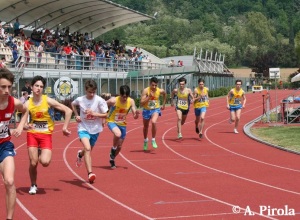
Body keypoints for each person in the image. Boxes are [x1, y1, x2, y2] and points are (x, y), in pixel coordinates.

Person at [23, 75, 72, 195]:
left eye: (41, 86)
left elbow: (68, 111)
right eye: (36, 86)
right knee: (33, 162)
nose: (39, 88)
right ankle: (33, 184)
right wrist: (25, 126)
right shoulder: (27, 103)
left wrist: (65, 127)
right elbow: (22, 122)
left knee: (45, 162)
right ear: (32, 87)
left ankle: (40, 152)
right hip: (33, 134)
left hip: (46, 134)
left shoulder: (47, 100)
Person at [0, 68, 27, 220]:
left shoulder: (13, 102)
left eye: (9, 87)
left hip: (4, 146)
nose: (7, 90)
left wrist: (21, 126)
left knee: (9, 181)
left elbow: (25, 111)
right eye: (3, 87)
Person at [71, 80, 108, 183]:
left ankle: (79, 154)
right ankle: (90, 173)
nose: (91, 94)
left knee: (88, 150)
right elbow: (72, 104)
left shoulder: (100, 100)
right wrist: (76, 115)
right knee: (87, 148)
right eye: (90, 92)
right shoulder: (80, 100)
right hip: (83, 127)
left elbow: (106, 114)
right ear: (86, 90)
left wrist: (95, 114)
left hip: (95, 129)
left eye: (93, 92)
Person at [106, 85, 139, 169]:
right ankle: (113, 148)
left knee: (119, 147)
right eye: (123, 96)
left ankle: (112, 158)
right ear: (120, 94)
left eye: (127, 96)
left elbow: (135, 115)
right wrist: (103, 115)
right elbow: (103, 104)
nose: (125, 98)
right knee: (117, 134)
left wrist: (137, 114)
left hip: (122, 124)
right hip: (111, 121)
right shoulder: (114, 100)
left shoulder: (131, 101)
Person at [140, 77, 167, 150]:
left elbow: (165, 94)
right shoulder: (146, 91)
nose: (154, 87)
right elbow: (141, 103)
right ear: (150, 84)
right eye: (152, 85)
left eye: (155, 85)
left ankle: (153, 139)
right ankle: (145, 140)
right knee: (145, 127)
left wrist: (164, 104)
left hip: (155, 109)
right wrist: (149, 97)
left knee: (154, 122)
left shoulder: (159, 90)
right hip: (146, 110)